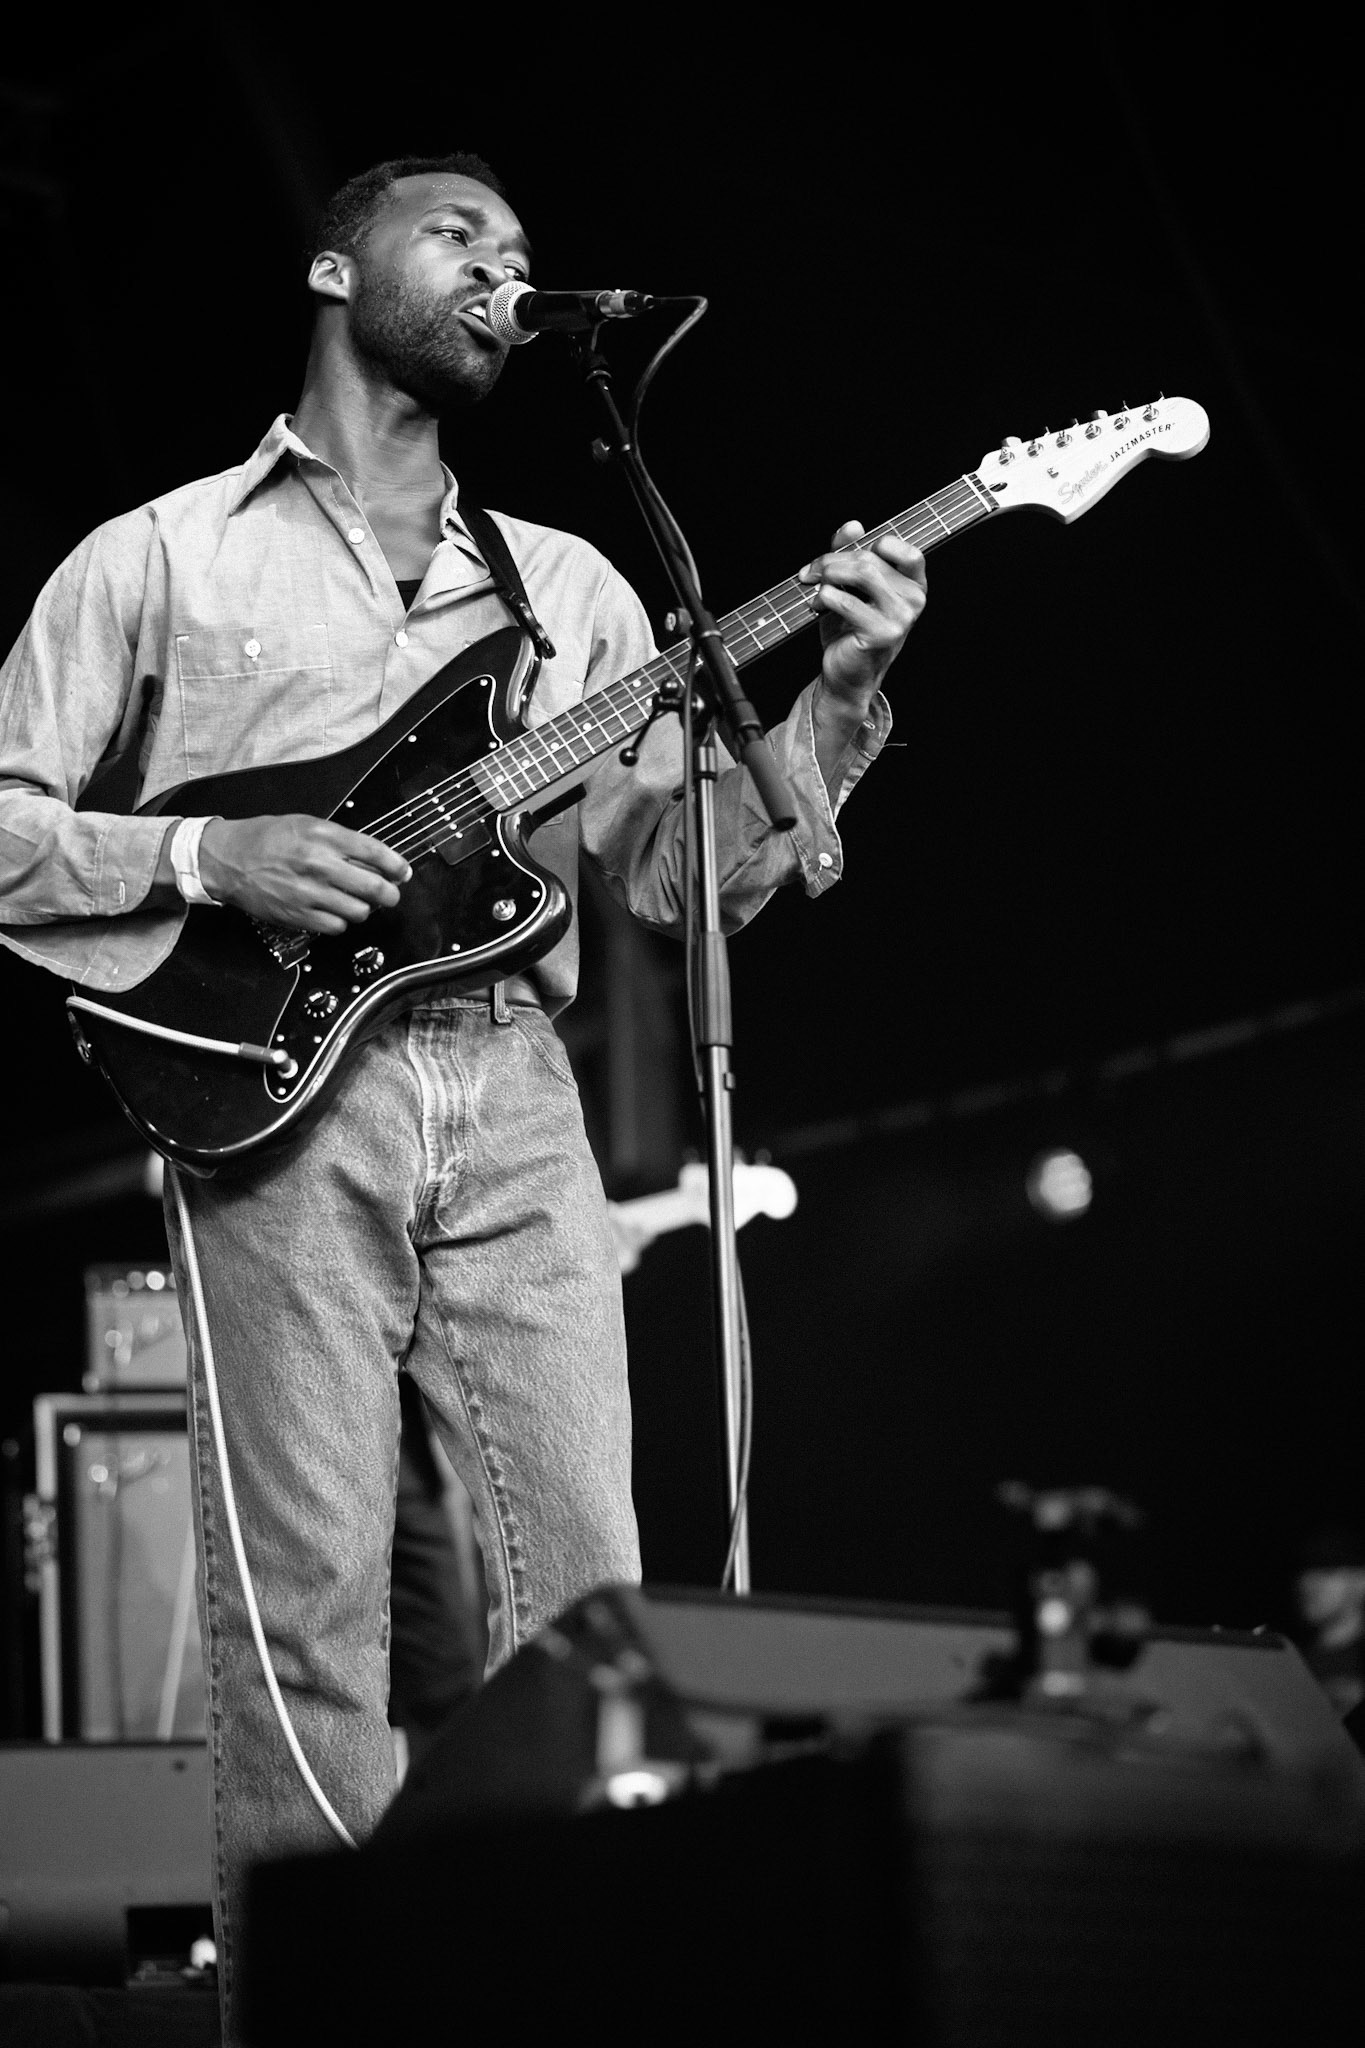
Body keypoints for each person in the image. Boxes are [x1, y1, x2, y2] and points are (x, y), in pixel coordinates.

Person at [0, 151, 926, 2031]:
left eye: (523, 251)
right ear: (339, 268)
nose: (511, 268)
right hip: (275, 1096)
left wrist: (836, 695)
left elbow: (684, 886)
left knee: (588, 1580)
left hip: (512, 1082)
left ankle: (584, 1987)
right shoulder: (160, 555)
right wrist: (209, 865)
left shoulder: (568, 583)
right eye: (464, 237)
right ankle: (325, 2014)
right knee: (307, 1612)